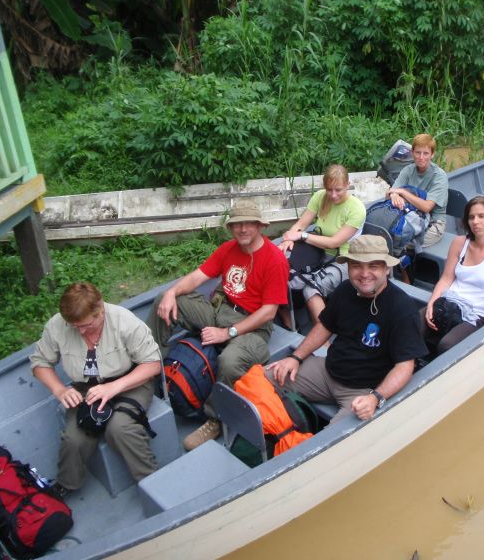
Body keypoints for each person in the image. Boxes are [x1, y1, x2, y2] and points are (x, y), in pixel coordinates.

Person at [146, 199, 289, 450]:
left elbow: (269, 312)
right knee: (166, 300)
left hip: (253, 326)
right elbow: (197, 277)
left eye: (248, 224)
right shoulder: (228, 249)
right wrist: (170, 293)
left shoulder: (274, 259)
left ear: (259, 226)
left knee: (230, 361)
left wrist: (228, 333)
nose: (242, 229)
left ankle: (215, 417)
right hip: (220, 310)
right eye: (237, 224)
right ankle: (150, 365)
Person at [267, 235, 428, 423]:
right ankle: (285, 430)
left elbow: (405, 365)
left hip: (364, 390)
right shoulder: (345, 290)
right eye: (357, 265)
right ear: (348, 267)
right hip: (327, 371)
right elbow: (325, 326)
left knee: (334, 445)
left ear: (386, 268)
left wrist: (376, 398)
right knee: (264, 378)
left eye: (373, 266)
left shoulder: (402, 308)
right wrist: (295, 357)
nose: (364, 273)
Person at [30, 282, 162, 497]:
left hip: (130, 382)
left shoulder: (124, 321)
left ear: (100, 309)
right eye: (75, 326)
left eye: (87, 325)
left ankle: (152, 481)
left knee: (120, 429)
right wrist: (60, 391)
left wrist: (113, 387)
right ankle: (66, 484)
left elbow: (153, 364)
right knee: (74, 439)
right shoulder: (57, 325)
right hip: (86, 390)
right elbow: (39, 363)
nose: (81, 331)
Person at [422, 196, 484, 355]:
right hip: (448, 301)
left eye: (481, 216)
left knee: (447, 346)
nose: (475, 221)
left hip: (476, 314)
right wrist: (432, 302)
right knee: (411, 325)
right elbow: (446, 278)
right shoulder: (459, 242)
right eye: (471, 217)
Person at [279, 164, 366, 324]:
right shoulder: (320, 196)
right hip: (317, 251)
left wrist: (302, 235)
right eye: (329, 189)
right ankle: (285, 312)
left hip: (344, 259)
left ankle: (323, 338)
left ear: (348, 184)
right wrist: (290, 238)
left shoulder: (357, 209)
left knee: (310, 289)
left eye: (338, 190)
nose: (333, 195)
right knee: (279, 263)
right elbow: (301, 224)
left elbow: (334, 243)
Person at [387, 133, 449, 249]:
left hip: (433, 223)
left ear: (432, 155)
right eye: (417, 152)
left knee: (400, 244)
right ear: (412, 153)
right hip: (408, 216)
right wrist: (394, 194)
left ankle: (405, 265)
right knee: (389, 237)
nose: (421, 157)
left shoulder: (439, 176)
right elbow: (389, 193)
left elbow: (426, 207)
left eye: (426, 153)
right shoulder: (408, 170)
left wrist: (403, 192)